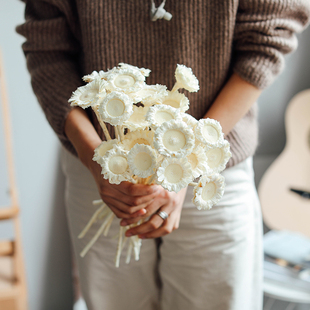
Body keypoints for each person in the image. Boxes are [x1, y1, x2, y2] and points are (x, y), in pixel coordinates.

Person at [16, 1, 310, 309]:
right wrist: (97, 160)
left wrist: (188, 161)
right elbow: (47, 49)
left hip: (214, 165)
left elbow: (268, 40)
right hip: (101, 166)